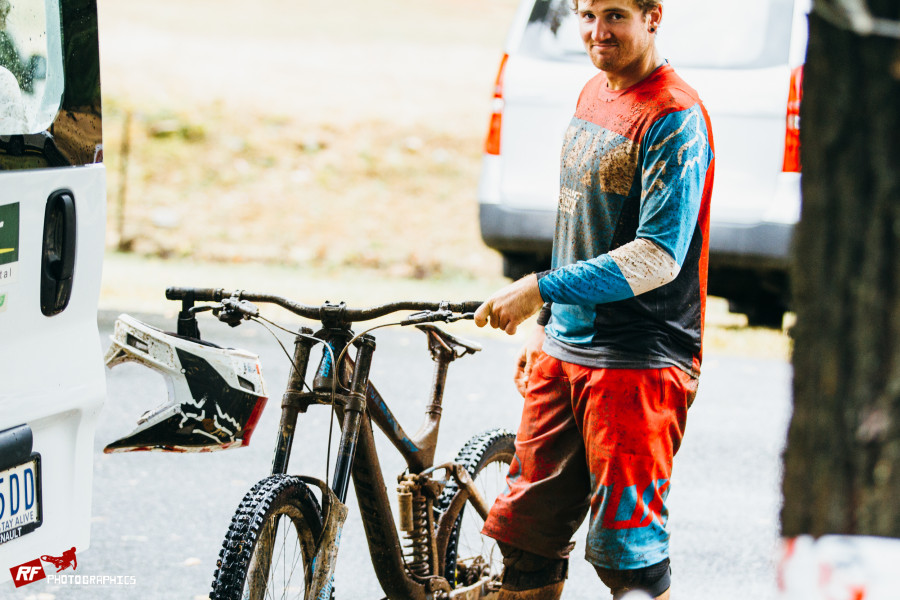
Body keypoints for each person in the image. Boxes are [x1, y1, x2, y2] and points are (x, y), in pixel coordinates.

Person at [473, 1, 714, 599]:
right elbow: (576, 226)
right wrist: (545, 327)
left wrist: (539, 289)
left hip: (639, 362)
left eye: (615, 15)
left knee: (626, 558)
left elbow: (657, 256)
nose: (597, 31)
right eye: (586, 14)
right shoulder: (592, 94)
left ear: (652, 16)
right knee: (525, 540)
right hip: (564, 351)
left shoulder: (674, 116)